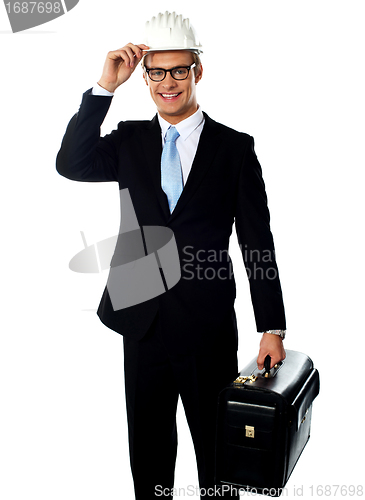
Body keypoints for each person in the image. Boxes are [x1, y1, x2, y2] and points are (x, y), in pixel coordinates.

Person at [56, 11, 286, 499]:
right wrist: (104, 86)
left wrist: (272, 327)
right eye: (156, 71)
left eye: (179, 70)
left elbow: (256, 243)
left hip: (207, 330)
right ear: (145, 75)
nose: (168, 82)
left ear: (197, 71)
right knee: (149, 457)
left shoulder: (235, 150)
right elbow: (71, 163)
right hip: (141, 321)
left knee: (219, 462)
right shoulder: (129, 141)